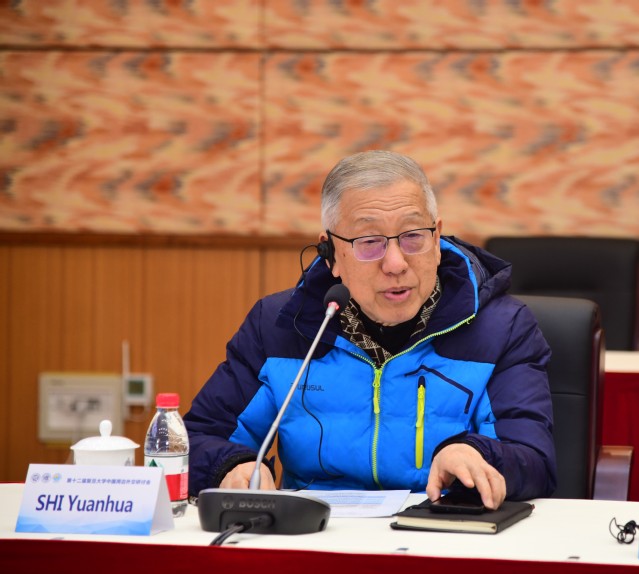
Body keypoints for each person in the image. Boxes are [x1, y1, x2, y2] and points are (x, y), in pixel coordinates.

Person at [184, 150, 556, 509]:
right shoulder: (280, 326)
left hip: (442, 528)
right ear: (331, 254)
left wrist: (475, 453)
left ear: (437, 239)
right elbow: (197, 438)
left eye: (413, 236)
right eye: (369, 242)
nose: (395, 263)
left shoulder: (501, 328)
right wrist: (232, 466)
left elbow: (534, 460)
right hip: (316, 535)